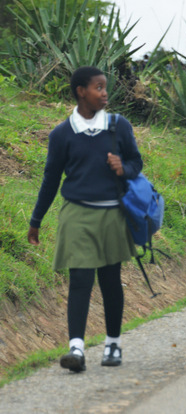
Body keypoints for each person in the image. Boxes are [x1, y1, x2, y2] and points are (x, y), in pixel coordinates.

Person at [27, 66, 142, 372]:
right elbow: (51, 179)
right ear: (81, 91)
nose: (105, 93)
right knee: (80, 280)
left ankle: (113, 345)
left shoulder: (119, 126)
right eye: (98, 87)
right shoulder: (62, 134)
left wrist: (123, 168)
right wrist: (36, 219)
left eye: (105, 87)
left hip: (112, 214)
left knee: (110, 281)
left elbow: (136, 163)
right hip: (77, 212)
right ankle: (76, 349)